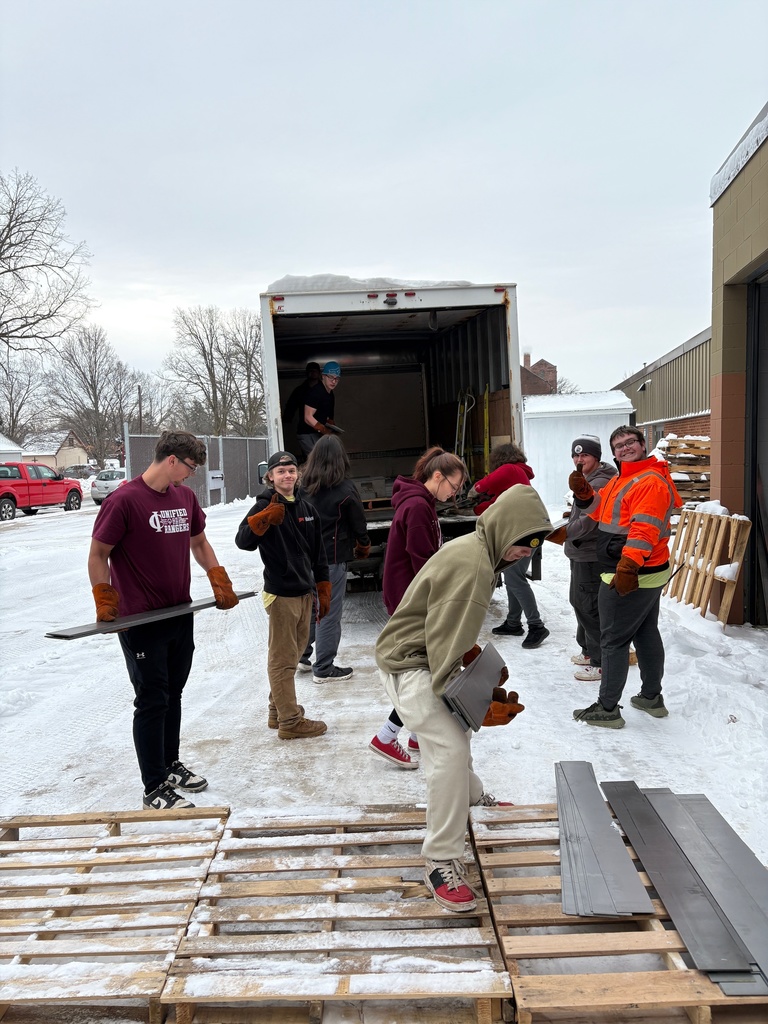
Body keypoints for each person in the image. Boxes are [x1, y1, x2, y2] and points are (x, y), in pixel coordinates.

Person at [376, 485, 552, 911]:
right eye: (523, 541)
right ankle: (440, 859)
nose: (528, 551)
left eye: (536, 543)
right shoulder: (475, 567)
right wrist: (466, 699)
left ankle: (470, 796)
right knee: (450, 746)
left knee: (455, 733)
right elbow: (441, 644)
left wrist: (471, 686)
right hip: (409, 662)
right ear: (504, 529)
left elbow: (446, 629)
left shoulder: (480, 548)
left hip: (418, 652)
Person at [87, 430, 240, 810]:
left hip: (179, 613)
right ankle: (153, 786)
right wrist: (105, 599)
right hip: (141, 621)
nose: (192, 475)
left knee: (173, 694)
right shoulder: (124, 500)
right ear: (171, 459)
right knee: (151, 700)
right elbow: (98, 553)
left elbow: (199, 542)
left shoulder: (184, 498)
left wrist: (217, 577)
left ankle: (170, 764)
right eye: (190, 467)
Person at [572, 426, 681, 728]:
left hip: (632, 574)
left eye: (630, 442)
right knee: (645, 631)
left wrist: (627, 567)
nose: (624, 448)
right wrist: (585, 495)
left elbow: (644, 529)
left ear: (643, 444)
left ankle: (607, 709)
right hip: (643, 572)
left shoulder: (649, 481)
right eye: (618, 445)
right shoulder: (624, 478)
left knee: (613, 641)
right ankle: (651, 697)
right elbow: (600, 510)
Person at [369, 447, 468, 769]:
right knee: (423, 672)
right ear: (437, 476)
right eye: (452, 487)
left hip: (411, 597)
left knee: (429, 668)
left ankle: (416, 735)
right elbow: (424, 561)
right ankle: (386, 736)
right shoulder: (416, 507)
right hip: (411, 601)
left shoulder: (420, 503)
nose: (453, 494)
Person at [235, 451, 330, 739]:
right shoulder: (264, 505)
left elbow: (319, 552)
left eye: (291, 470)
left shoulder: (307, 507)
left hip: (304, 591)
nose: (287, 475)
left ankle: (277, 711)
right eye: (281, 472)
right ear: (271, 477)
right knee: (282, 658)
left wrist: (323, 587)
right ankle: (291, 722)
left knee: (293, 653)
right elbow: (243, 542)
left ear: (297, 474)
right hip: (281, 593)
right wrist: (262, 519)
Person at [298, 435, 371, 681]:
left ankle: (302, 656)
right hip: (331, 560)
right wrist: (364, 545)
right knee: (328, 612)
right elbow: (359, 524)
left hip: (304, 559)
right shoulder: (346, 490)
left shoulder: (302, 488)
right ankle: (324, 668)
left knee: (310, 610)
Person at [472, 443, 549, 649]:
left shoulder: (510, 469)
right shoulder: (518, 477)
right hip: (526, 531)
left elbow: (485, 485)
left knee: (515, 579)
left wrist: (473, 492)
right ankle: (514, 623)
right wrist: (479, 507)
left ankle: (536, 626)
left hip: (522, 533)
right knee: (512, 577)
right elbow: (500, 502)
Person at [563, 435, 617, 681]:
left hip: (590, 553)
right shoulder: (588, 478)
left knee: (589, 606)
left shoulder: (600, 481)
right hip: (581, 551)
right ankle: (588, 650)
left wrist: (566, 532)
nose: (579, 459)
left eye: (585, 455)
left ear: (597, 457)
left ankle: (600, 662)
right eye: (576, 455)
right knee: (580, 601)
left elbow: (590, 521)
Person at [296, 360, 342, 457]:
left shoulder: (330, 393)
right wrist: (322, 429)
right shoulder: (316, 392)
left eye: (337, 379)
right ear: (323, 376)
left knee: (323, 460)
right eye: (331, 378)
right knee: (317, 461)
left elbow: (328, 416)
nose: (334, 381)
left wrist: (331, 427)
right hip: (307, 434)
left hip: (317, 434)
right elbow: (308, 417)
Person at [282, 362, 322, 434]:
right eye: (310, 371)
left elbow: (330, 408)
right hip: (305, 430)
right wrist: (286, 420)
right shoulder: (300, 391)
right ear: (306, 373)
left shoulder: (325, 390)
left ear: (319, 373)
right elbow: (291, 406)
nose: (312, 373)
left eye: (314, 371)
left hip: (321, 429)